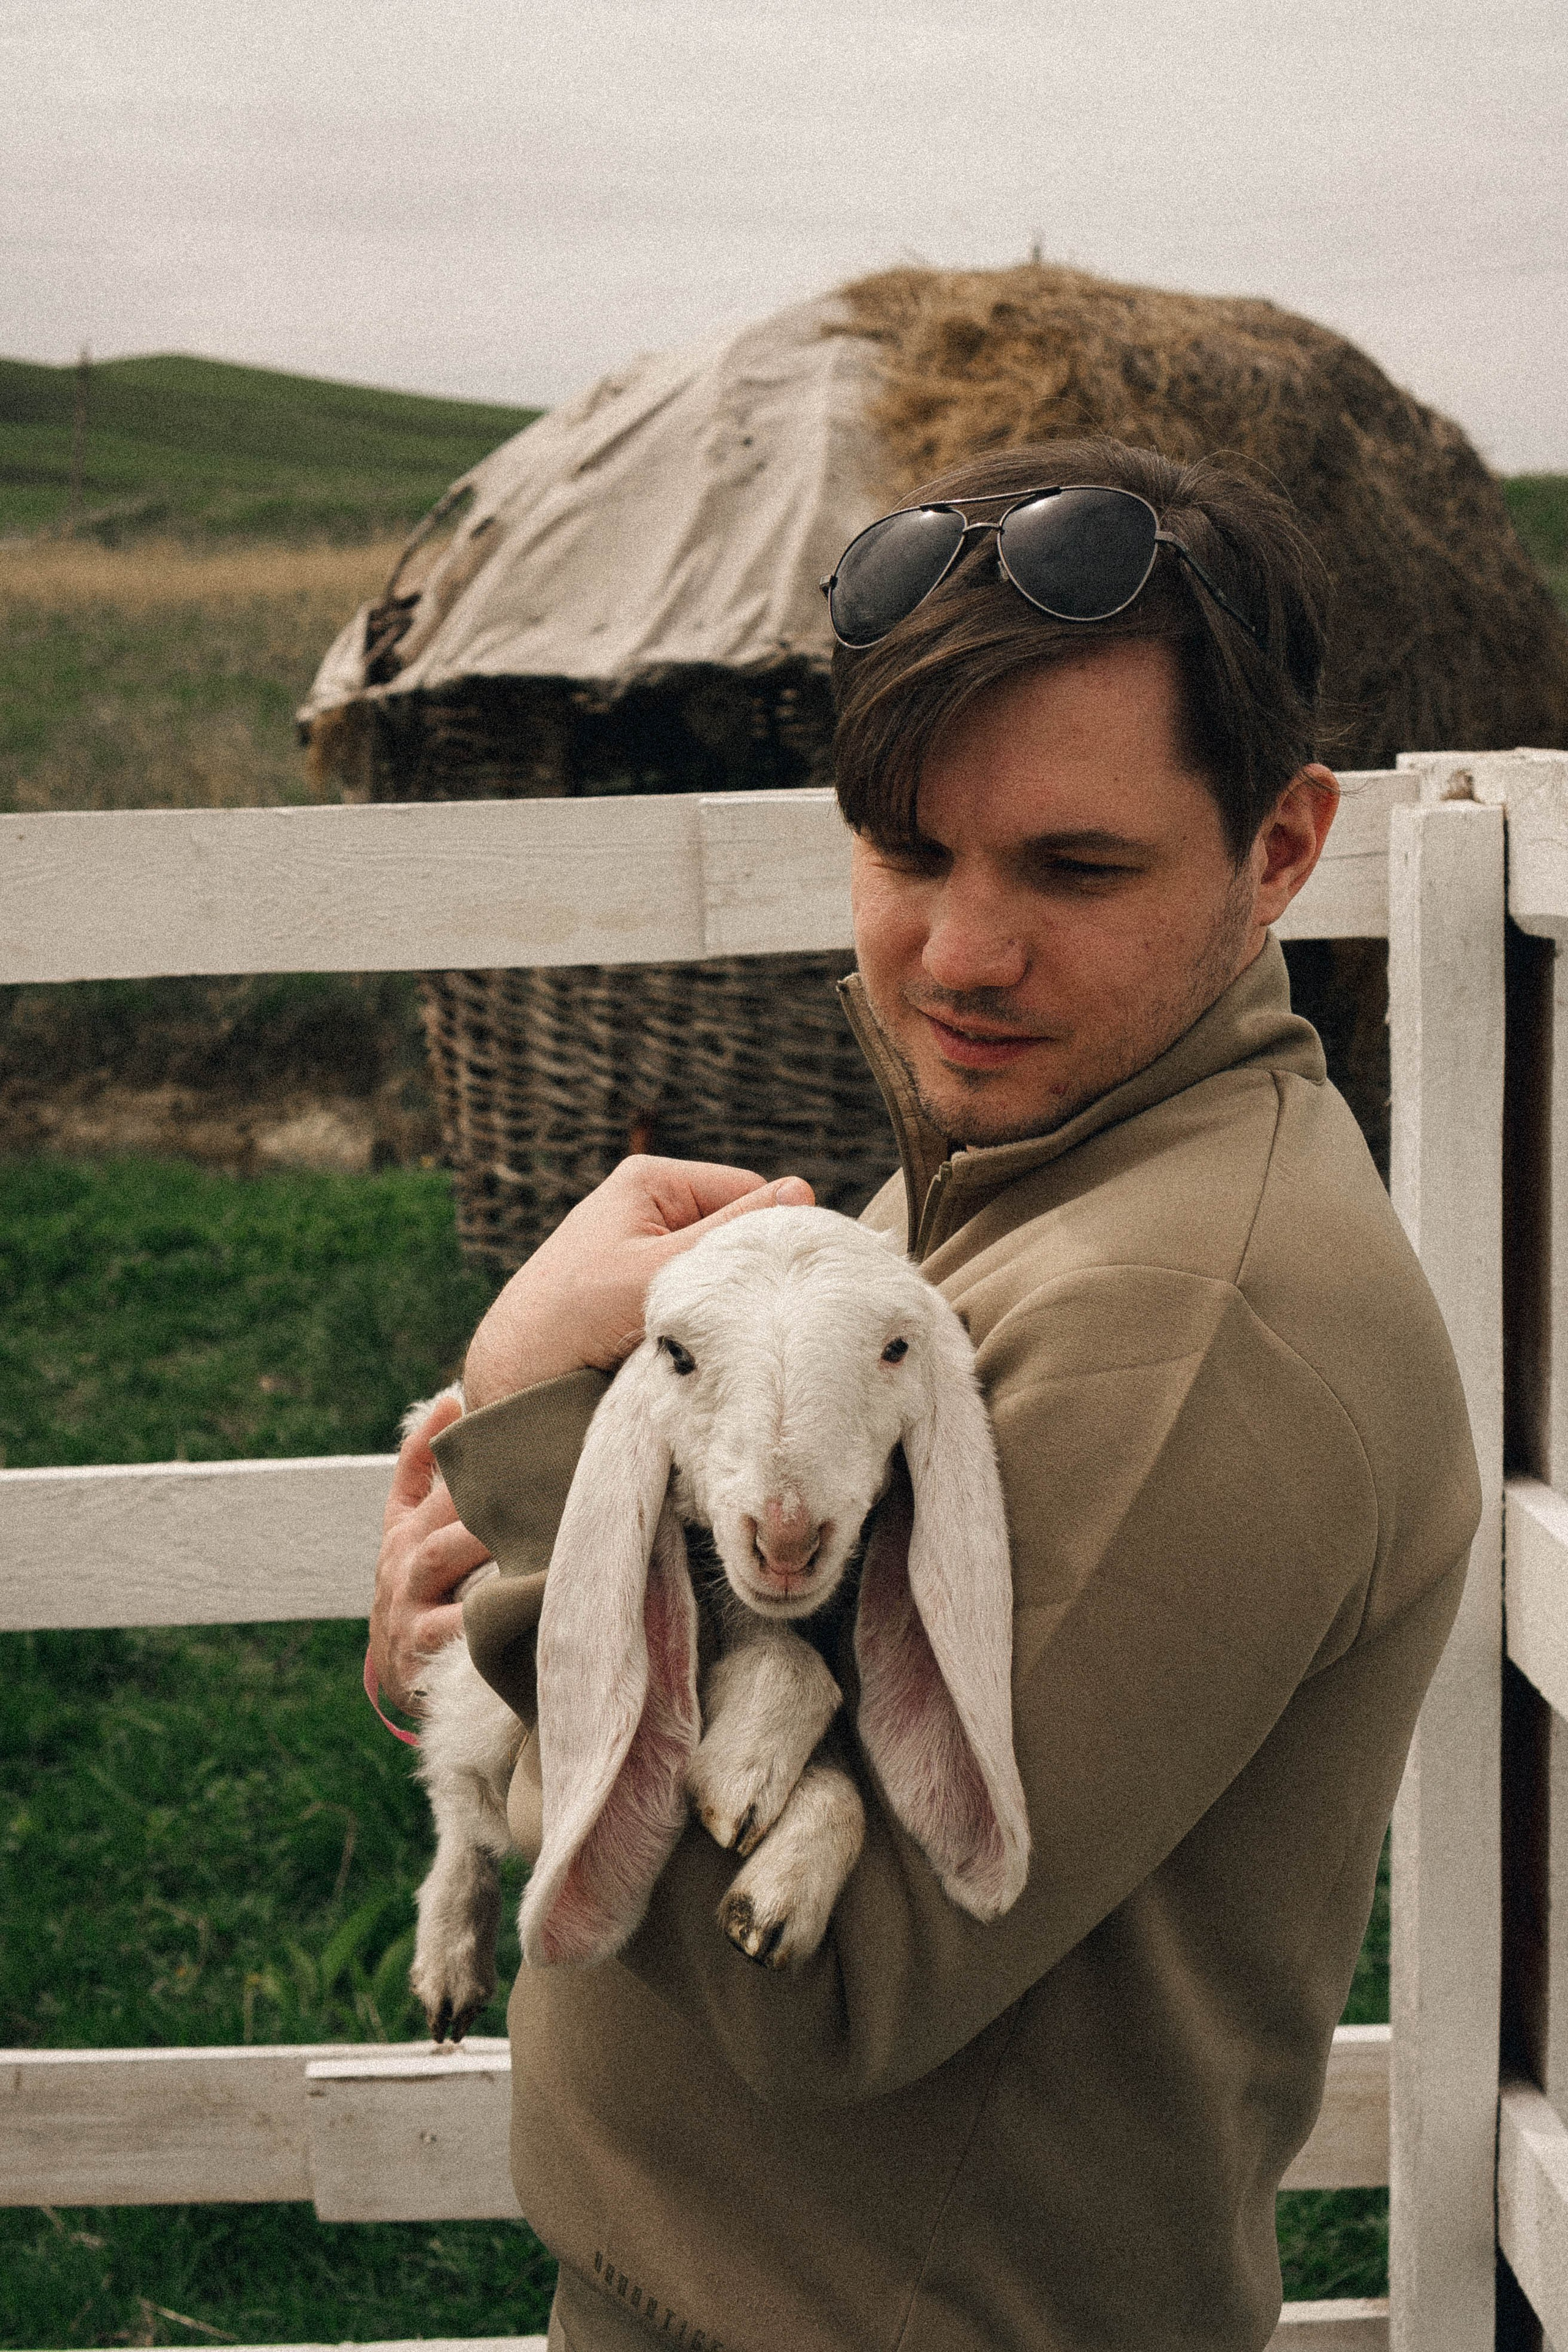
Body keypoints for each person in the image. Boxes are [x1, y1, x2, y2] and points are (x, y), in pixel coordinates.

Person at [371, 439, 1480, 2352]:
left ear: (1284, 847)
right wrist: (489, 1632)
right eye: (908, 850)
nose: (958, 956)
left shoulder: (1187, 1315)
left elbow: (828, 1988)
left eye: (1075, 864)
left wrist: (538, 1415)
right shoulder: (1015, 1186)